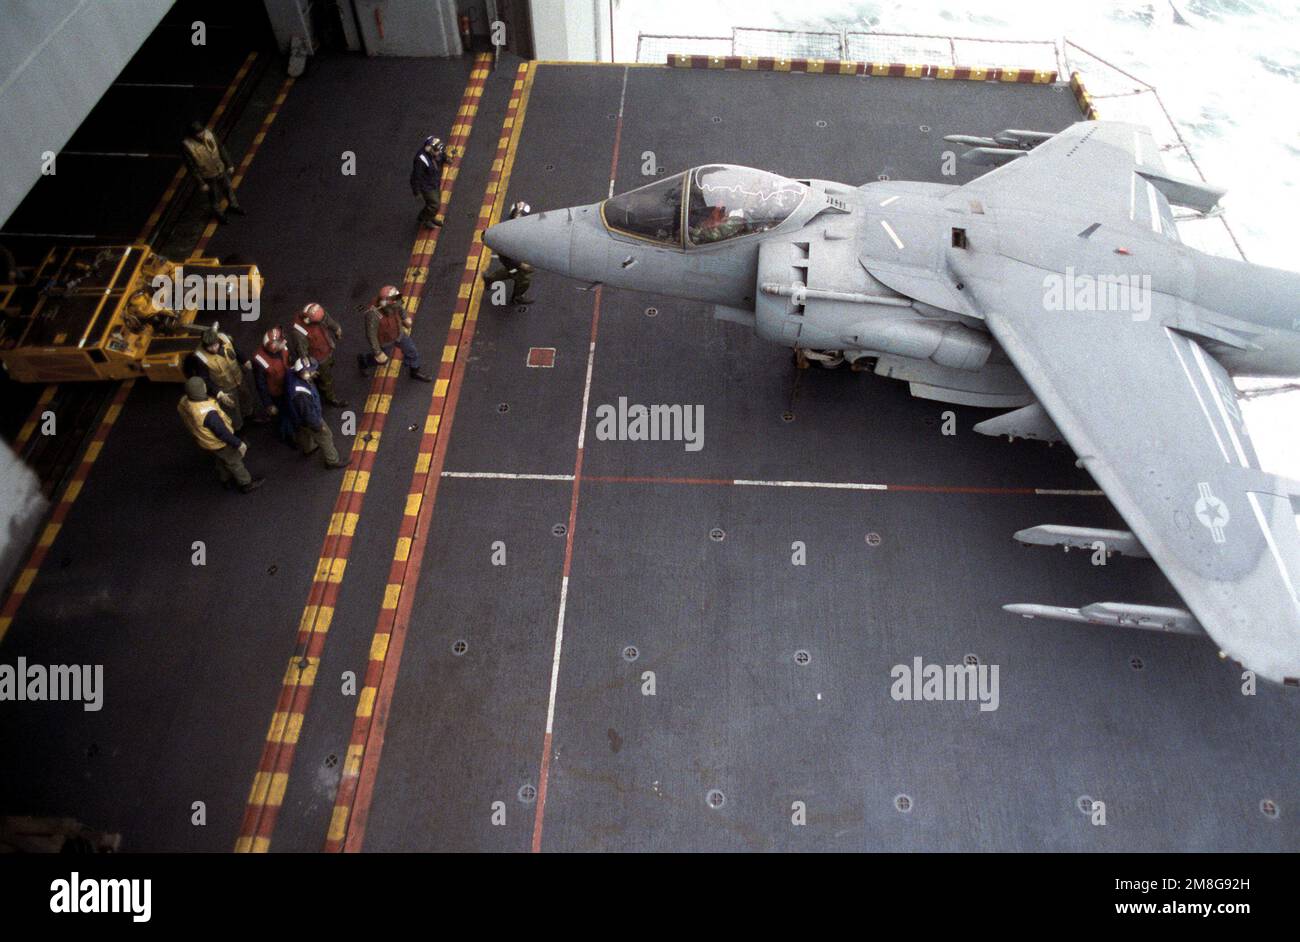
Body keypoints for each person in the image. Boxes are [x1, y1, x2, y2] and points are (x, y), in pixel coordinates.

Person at [177, 376, 263, 493]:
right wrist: (238, 444)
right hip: (219, 442)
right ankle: (246, 483)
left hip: (206, 441)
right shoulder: (209, 414)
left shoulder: (184, 402)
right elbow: (222, 433)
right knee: (234, 461)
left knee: (220, 460)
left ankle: (225, 479)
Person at [357, 285, 433, 382]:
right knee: (381, 359)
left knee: (412, 351)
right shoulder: (373, 314)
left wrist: (405, 317)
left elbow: (400, 308)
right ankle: (364, 361)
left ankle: (414, 371)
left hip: (399, 333)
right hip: (385, 340)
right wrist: (378, 352)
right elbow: (371, 335)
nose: (397, 302)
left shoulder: (394, 302)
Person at [184, 323, 249, 432]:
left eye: (215, 345)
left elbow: (235, 350)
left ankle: (249, 414)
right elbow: (205, 379)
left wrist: (245, 360)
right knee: (232, 409)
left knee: (246, 398)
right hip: (225, 387)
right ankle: (238, 429)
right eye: (210, 347)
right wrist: (219, 393)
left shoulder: (225, 339)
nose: (214, 349)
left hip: (239, 378)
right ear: (204, 345)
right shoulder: (201, 358)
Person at [285, 358, 346, 469]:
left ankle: (309, 449)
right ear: (304, 373)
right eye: (311, 371)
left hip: (297, 418)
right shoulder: (301, 394)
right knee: (325, 436)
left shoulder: (291, 374)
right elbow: (308, 414)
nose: (314, 372)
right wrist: (318, 426)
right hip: (309, 418)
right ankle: (332, 461)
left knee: (304, 433)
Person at [181, 120, 244, 224]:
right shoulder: (187, 145)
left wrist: (229, 164)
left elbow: (220, 148)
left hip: (220, 168)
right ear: (192, 134)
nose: (201, 134)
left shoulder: (209, 134)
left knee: (228, 188)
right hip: (207, 175)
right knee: (213, 196)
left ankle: (233, 205)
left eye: (201, 131)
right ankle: (219, 215)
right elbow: (191, 167)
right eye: (198, 133)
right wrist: (201, 183)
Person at [290, 302, 348, 407]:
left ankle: (320, 378)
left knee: (328, 366)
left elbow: (327, 319)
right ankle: (331, 398)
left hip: (327, 347)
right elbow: (302, 352)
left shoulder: (317, 314)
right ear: (308, 320)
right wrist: (309, 368)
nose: (322, 321)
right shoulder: (299, 332)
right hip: (318, 358)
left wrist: (336, 328)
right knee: (327, 379)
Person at [482, 201, 535, 305]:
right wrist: (521, 264)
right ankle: (517, 297)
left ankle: (490, 279)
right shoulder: (508, 234)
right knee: (523, 277)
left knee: (512, 273)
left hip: (513, 256)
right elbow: (506, 254)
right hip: (510, 259)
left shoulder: (511, 225)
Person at [251, 327, 292, 437]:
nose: (284, 342)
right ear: (272, 346)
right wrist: (268, 404)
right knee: (283, 415)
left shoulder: (282, 347)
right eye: (279, 342)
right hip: (277, 392)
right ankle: (287, 435)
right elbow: (261, 384)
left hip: (288, 385)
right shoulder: (260, 360)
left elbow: (289, 361)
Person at [410, 135, 449, 228]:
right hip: (427, 186)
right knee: (434, 205)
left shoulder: (436, 153)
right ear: (430, 149)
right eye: (437, 151)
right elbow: (416, 177)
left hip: (434, 182)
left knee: (436, 201)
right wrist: (417, 192)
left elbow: (442, 155)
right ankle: (424, 219)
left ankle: (431, 216)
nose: (439, 152)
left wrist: (446, 158)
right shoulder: (421, 160)